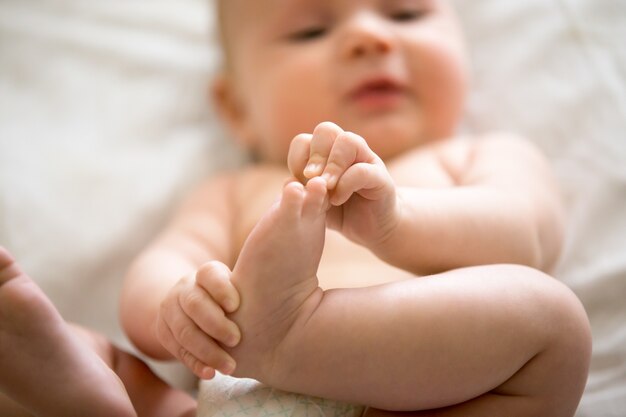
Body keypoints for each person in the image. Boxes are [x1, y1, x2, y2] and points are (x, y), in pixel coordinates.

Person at [0, 1, 591, 417]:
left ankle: (293, 340)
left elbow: (526, 236)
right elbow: (165, 263)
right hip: (231, 383)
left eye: (406, 14)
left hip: (413, 403)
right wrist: (181, 308)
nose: (370, 38)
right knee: (91, 348)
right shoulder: (237, 187)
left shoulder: (476, 156)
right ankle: (95, 392)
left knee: (551, 320)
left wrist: (398, 221)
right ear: (235, 108)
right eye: (309, 32)